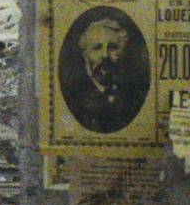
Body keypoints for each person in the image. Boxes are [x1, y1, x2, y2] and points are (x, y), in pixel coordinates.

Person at [59, 7, 150, 135]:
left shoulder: (136, 93)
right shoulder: (73, 94)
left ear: (123, 53)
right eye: (96, 48)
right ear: (85, 55)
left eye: (113, 47)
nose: (105, 55)